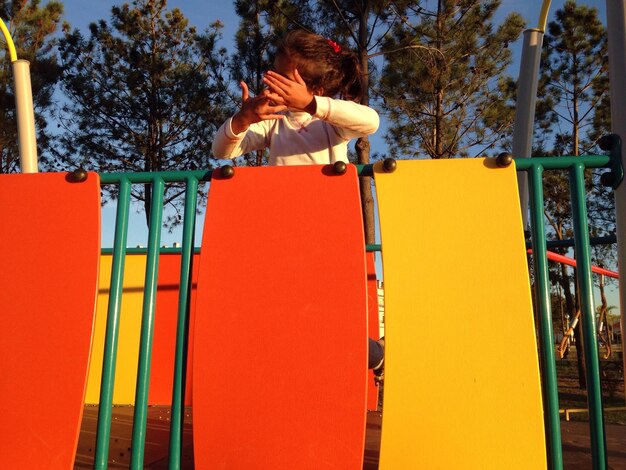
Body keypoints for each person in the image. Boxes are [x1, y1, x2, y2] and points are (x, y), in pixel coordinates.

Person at [212, 29, 384, 375]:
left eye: (282, 79)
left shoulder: (330, 124)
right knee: (282, 309)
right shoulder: (273, 125)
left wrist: (311, 105)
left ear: (314, 88)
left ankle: (371, 355)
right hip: (284, 230)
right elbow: (221, 150)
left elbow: (371, 121)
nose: (273, 85)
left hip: (327, 230)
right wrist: (243, 119)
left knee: (325, 316)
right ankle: (296, 370)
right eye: (271, 75)